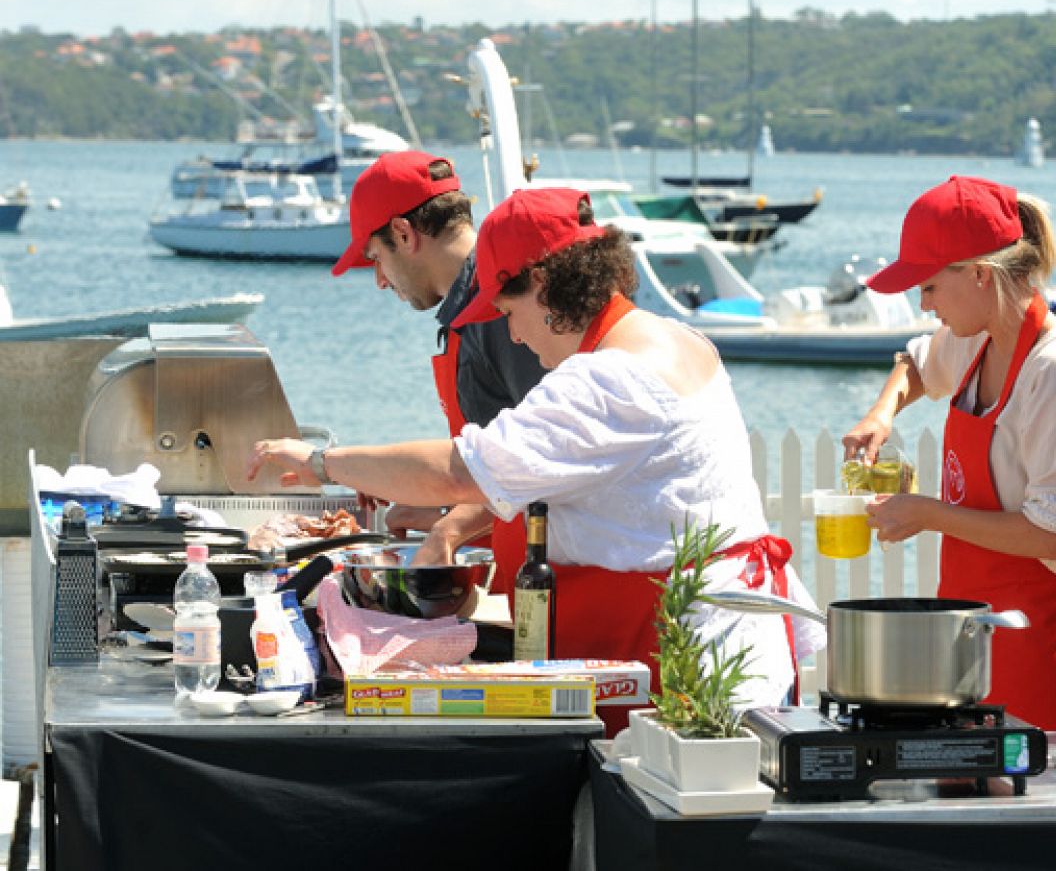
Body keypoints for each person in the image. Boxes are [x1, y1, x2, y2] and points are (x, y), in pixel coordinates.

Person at [253, 187, 823, 731]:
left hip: (686, 654)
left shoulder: (607, 377)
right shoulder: (669, 337)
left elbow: (458, 468)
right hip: (709, 629)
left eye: (508, 311)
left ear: (545, 286)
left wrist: (324, 463)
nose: (516, 337)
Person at [841, 175, 1056, 731]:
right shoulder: (976, 335)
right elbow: (915, 365)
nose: (923, 303)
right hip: (969, 642)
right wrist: (881, 413)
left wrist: (929, 514)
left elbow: (1055, 535)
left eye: (931, 287)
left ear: (981, 275)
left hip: (1037, 647)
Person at [329, 151, 546, 594]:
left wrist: (447, 530)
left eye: (376, 259)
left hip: (551, 580)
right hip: (520, 572)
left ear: (403, 233)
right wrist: (425, 507)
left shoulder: (502, 312)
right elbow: (487, 466)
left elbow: (542, 463)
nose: (381, 281)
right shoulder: (467, 310)